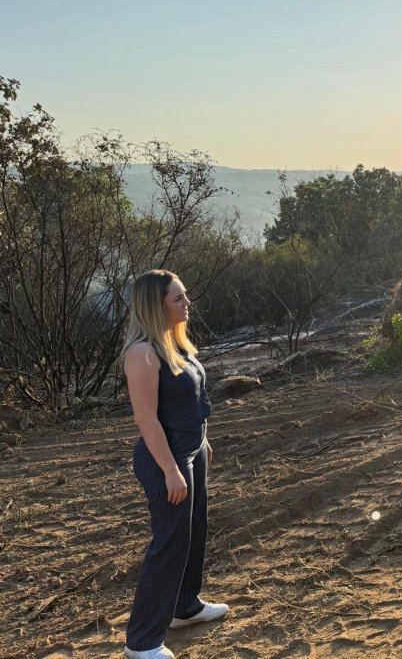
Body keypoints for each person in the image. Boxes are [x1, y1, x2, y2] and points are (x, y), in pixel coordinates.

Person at [121, 270, 228, 659]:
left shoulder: (174, 344)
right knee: (169, 543)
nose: (187, 303)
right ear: (156, 305)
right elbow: (146, 419)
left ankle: (185, 607)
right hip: (164, 459)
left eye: (185, 295)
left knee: (193, 532)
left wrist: (203, 441)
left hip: (191, 451)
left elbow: (190, 401)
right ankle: (142, 642)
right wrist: (170, 469)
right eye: (178, 298)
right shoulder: (143, 353)